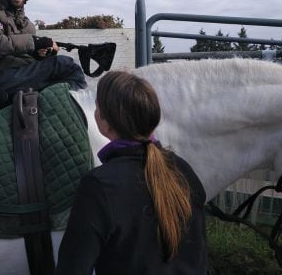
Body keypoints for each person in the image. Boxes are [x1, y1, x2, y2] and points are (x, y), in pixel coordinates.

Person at [55, 70, 208, 275]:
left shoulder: (98, 186)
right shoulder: (184, 170)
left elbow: (72, 269)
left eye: (97, 107)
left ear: (104, 122)